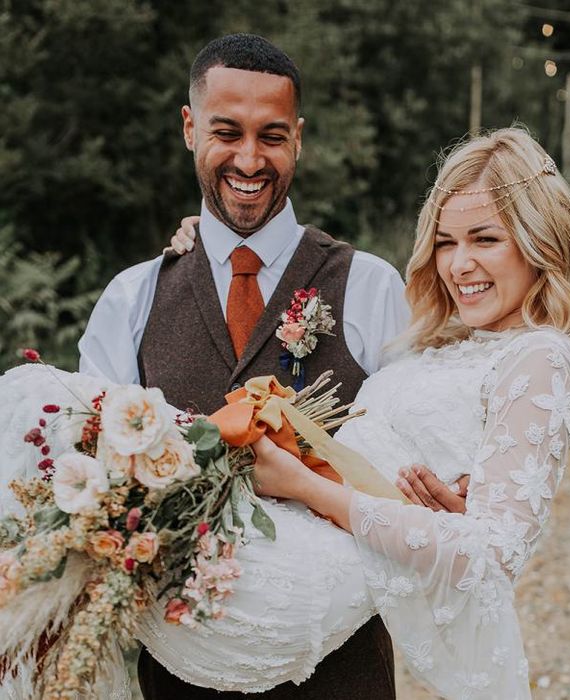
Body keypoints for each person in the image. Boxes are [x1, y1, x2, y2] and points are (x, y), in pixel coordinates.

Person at [168, 126, 570, 699]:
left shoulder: (540, 356)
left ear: (539, 241)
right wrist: (210, 244)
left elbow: (491, 557)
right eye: (445, 242)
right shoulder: (440, 340)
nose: (459, 264)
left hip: (302, 583)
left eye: (485, 239)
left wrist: (305, 487)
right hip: (280, 538)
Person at [76, 33, 410, 700]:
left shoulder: (371, 287)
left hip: (340, 671)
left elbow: (407, 483)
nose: (250, 159)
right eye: (227, 132)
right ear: (189, 126)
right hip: (177, 677)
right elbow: (91, 487)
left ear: (300, 139)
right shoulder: (131, 298)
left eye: (273, 136)